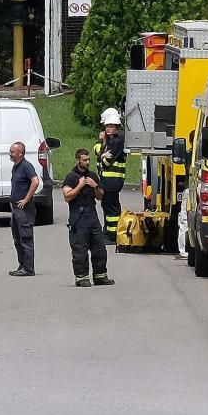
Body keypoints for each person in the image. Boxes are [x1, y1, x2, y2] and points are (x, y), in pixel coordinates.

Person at [62, 149, 114, 287]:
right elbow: (67, 196)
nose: (87, 162)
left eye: (88, 160)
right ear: (77, 160)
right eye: (84, 160)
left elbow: (100, 196)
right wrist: (80, 185)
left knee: (99, 248)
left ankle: (100, 276)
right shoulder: (71, 177)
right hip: (78, 216)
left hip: (92, 215)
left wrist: (95, 185)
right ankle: (81, 277)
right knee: (80, 250)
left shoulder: (92, 176)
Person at [8, 141, 39, 277]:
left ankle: (29, 268)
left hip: (24, 209)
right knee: (17, 238)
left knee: (25, 238)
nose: (10, 154)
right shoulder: (16, 166)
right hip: (15, 208)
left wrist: (26, 199)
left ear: (20, 153)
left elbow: (35, 181)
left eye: (13, 152)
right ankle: (22, 264)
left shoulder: (26, 166)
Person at [96, 109, 127, 244]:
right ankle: (107, 232)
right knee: (107, 206)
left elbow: (106, 161)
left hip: (113, 181)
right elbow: (98, 153)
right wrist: (102, 153)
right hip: (107, 180)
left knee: (112, 209)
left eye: (111, 126)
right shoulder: (110, 141)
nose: (108, 129)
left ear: (117, 127)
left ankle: (112, 235)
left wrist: (102, 155)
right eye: (107, 126)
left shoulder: (117, 142)